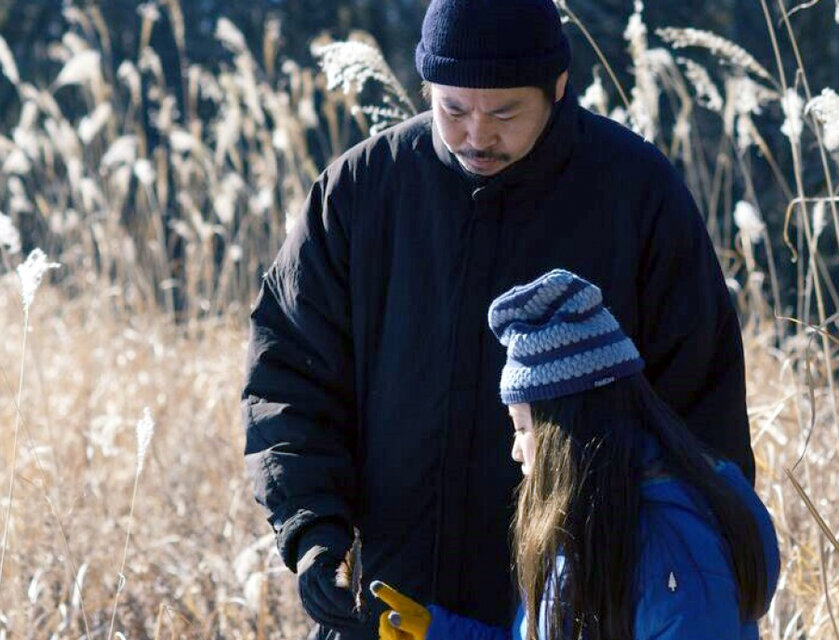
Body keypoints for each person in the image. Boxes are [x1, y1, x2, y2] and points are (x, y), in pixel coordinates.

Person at [242, 0, 754, 637]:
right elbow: (289, 377)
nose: (477, 136)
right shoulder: (362, 191)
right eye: (452, 109)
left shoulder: (637, 194)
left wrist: (679, 579)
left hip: (574, 606)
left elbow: (699, 420)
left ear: (558, 88)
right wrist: (313, 529)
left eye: (505, 112)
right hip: (389, 610)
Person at [371, 269, 779, 640]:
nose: (515, 449)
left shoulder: (674, 551)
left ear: (564, 433)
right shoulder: (591, 526)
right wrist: (439, 636)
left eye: (523, 427)